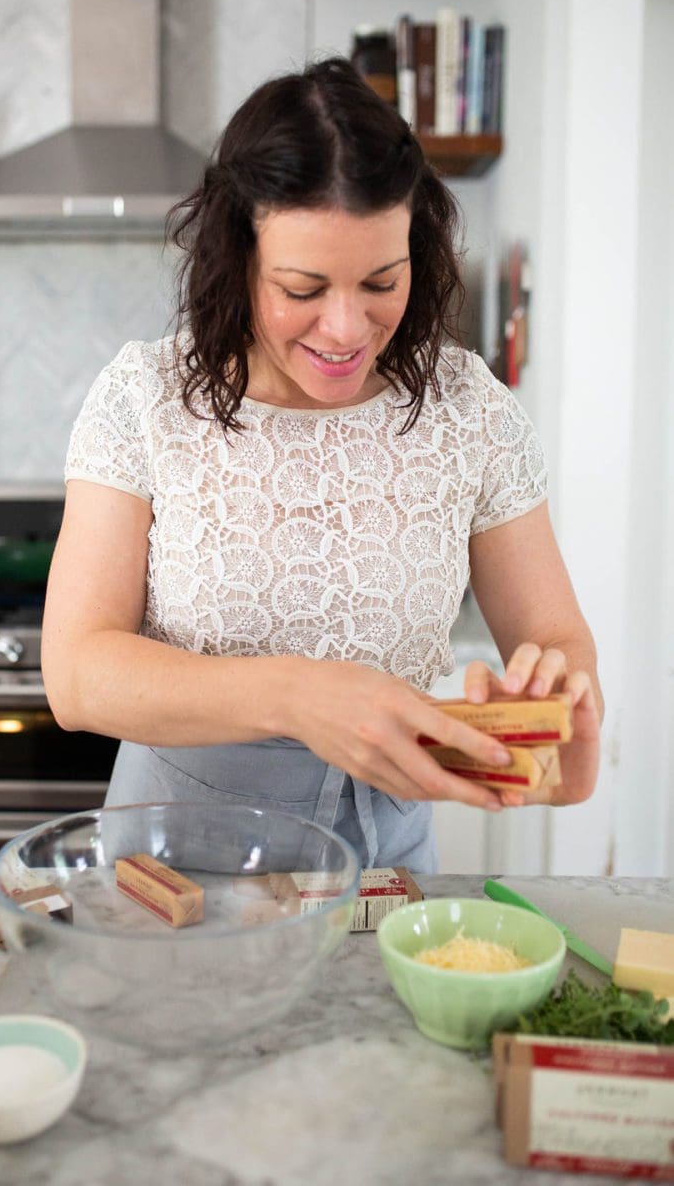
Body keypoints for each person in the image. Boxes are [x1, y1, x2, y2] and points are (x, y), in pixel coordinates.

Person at [42, 57, 602, 872]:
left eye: (382, 279)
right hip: (173, 859)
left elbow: (554, 636)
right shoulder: (145, 397)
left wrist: (548, 702)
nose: (345, 328)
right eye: (302, 287)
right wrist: (301, 697)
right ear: (235, 260)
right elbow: (77, 673)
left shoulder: (469, 408)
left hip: (388, 864)